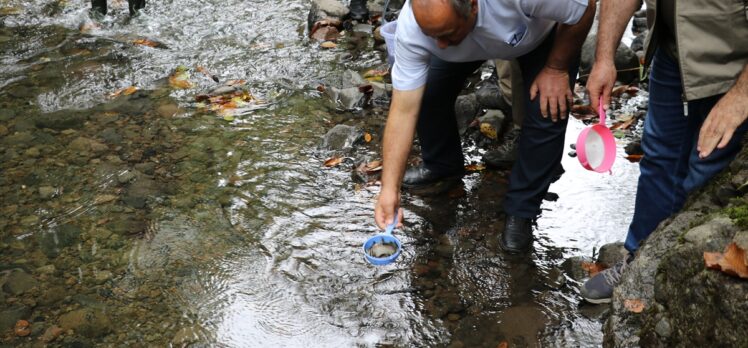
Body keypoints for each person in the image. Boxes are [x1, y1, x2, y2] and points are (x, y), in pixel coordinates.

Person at [373, 0, 596, 254]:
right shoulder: (413, 28)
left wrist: (556, 67)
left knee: (548, 108)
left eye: (445, 34)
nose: (440, 44)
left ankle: (522, 210)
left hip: (538, 37)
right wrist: (389, 188)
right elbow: (403, 110)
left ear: (473, 6)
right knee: (427, 93)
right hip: (467, 44)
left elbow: (585, 8)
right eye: (431, 35)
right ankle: (442, 165)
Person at [581, 0, 748, 303]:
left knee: (707, 177)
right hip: (672, 55)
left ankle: (688, 283)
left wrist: (742, 96)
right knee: (658, 160)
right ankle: (639, 259)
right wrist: (604, 58)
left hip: (734, 70)